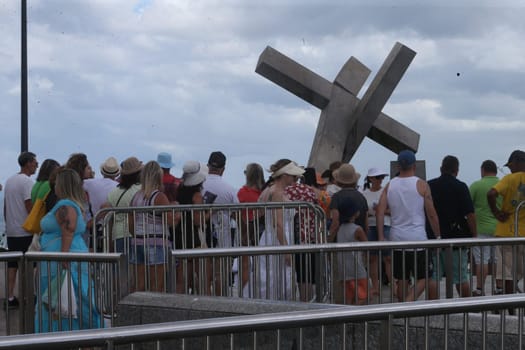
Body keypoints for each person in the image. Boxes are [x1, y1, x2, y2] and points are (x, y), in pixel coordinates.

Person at [35, 168, 102, 332]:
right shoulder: (70, 205)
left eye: (57, 182)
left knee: (71, 299)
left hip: (62, 263)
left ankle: (67, 336)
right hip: (62, 260)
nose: (55, 185)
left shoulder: (65, 205)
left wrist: (63, 256)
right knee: (69, 299)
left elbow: (68, 229)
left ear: (63, 185)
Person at [376, 150, 440, 302]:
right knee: (424, 276)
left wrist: (381, 236)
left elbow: (379, 211)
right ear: (414, 166)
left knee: (402, 278)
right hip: (418, 238)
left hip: (397, 238)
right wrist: (438, 235)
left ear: (399, 166)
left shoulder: (390, 185)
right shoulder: (421, 185)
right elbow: (431, 214)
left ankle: (402, 309)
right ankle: (408, 302)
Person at [245, 159, 304, 300]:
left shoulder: (268, 190)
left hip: (270, 237)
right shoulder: (277, 192)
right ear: (285, 175)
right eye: (293, 176)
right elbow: (277, 223)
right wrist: (286, 250)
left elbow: (260, 214)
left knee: (269, 275)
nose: (296, 179)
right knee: (278, 277)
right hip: (279, 237)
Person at [428, 155, 477, 298]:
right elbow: (470, 214)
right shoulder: (460, 187)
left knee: (434, 276)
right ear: (457, 170)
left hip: (434, 237)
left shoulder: (430, 185)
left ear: (441, 169)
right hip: (457, 238)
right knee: (461, 277)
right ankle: (467, 308)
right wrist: (474, 235)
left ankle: (432, 310)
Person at [129, 161, 177, 292]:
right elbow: (171, 222)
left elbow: (130, 223)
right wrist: (177, 212)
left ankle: (135, 310)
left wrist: (137, 235)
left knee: (139, 285)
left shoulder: (136, 196)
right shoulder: (159, 197)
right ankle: (153, 312)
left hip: (138, 241)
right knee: (157, 285)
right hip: (157, 243)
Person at [487, 150, 525, 297]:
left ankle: (510, 307)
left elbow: (491, 193)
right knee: (519, 273)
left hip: (506, 232)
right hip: (523, 235)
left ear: (517, 163)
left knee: (507, 273)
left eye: (510, 166)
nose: (509, 169)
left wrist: (496, 212)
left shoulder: (509, 179)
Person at [3, 151, 38, 309]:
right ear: (29, 163)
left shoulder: (9, 181)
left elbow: (5, 207)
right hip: (25, 230)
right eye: (35, 162)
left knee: (13, 264)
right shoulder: (27, 182)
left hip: (12, 229)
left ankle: (10, 297)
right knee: (31, 265)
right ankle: (29, 296)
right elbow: (29, 205)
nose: (36, 165)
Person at [202, 151, 239, 295]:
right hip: (222, 237)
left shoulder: (200, 185)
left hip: (201, 236)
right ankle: (219, 302)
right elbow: (237, 213)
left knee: (204, 274)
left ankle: (203, 301)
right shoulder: (229, 189)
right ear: (223, 168)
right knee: (220, 274)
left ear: (208, 165)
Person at [175, 161, 211, 294]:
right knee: (203, 279)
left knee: (182, 279)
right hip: (195, 239)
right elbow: (198, 221)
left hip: (181, 237)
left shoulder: (179, 191)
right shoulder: (197, 196)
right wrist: (209, 213)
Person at [285, 167, 319, 302]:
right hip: (310, 236)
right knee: (308, 274)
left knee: (298, 273)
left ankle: (301, 301)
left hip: (294, 235)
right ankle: (309, 301)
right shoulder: (311, 191)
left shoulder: (288, 191)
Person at [469, 160, 500, 296]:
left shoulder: (476, 185)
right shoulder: (502, 184)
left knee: (481, 259)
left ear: (483, 170)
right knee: (496, 259)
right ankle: (499, 288)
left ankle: (480, 289)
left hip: (480, 229)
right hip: (499, 229)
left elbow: (468, 207)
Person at [361, 167, 392, 295]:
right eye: (378, 177)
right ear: (371, 179)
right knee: (372, 258)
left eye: (382, 177)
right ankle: (375, 285)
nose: (380, 180)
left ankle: (393, 284)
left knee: (388, 258)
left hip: (385, 224)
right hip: (371, 225)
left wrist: (380, 211)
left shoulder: (386, 191)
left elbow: (392, 210)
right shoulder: (364, 193)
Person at [236, 163, 265, 292]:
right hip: (261, 230)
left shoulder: (243, 192)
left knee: (245, 263)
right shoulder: (264, 193)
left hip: (245, 229)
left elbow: (237, 212)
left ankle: (244, 291)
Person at [105, 157, 143, 253]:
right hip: (137, 233)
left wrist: (109, 242)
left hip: (117, 235)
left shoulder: (113, 193)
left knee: (121, 267)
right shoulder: (141, 190)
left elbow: (110, 219)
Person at [336, 197, 368, 305]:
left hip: (344, 268)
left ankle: (347, 318)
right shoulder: (357, 229)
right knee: (363, 295)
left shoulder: (340, 228)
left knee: (348, 296)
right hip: (357, 268)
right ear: (355, 213)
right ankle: (355, 315)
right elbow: (367, 245)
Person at [83, 157, 120, 251]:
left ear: (103, 171)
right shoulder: (118, 187)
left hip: (94, 225)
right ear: (117, 173)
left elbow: (75, 183)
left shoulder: (90, 183)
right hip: (112, 228)